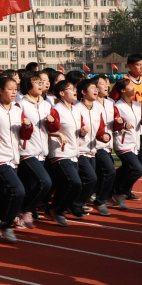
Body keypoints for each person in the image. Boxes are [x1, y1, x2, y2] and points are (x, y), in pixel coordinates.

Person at [0, 76, 29, 241]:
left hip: (14, 159)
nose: (14, 92)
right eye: (10, 89)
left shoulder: (17, 110)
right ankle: (6, 224)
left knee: (1, 195)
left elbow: (24, 135)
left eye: (16, 89)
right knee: (18, 190)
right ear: (0, 90)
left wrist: (27, 127)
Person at [109, 54, 142, 201]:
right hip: (126, 126)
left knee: (140, 161)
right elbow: (112, 101)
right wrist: (119, 120)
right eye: (138, 65)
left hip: (140, 122)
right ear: (130, 66)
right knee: (132, 164)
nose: (141, 67)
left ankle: (125, 189)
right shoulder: (123, 82)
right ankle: (116, 188)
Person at [46, 80, 87, 226]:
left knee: (70, 184)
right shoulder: (55, 109)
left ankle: (53, 209)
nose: (75, 90)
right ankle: (58, 210)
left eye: (74, 88)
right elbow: (47, 129)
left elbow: (77, 130)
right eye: (71, 88)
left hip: (73, 153)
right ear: (62, 93)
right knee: (74, 182)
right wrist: (58, 134)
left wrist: (82, 132)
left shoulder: (75, 109)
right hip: (60, 153)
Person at [111, 78, 142, 209]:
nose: (133, 87)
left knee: (126, 168)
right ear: (123, 90)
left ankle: (109, 189)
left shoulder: (136, 105)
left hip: (135, 143)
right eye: (130, 86)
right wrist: (122, 124)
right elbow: (113, 122)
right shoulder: (117, 106)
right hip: (122, 143)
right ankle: (121, 193)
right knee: (137, 169)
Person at [16, 72, 53, 228]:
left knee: (29, 186)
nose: (41, 84)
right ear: (27, 85)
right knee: (45, 182)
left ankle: (18, 212)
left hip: (42, 152)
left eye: (41, 82)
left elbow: (54, 128)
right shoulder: (20, 105)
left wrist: (53, 122)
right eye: (36, 82)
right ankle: (26, 209)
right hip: (26, 151)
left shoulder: (46, 105)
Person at [74, 79, 110, 216]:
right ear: (83, 92)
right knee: (90, 178)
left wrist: (104, 136)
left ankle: (79, 203)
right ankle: (75, 204)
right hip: (79, 151)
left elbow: (101, 130)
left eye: (96, 88)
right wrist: (81, 133)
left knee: (89, 180)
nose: (96, 90)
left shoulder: (98, 108)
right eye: (93, 88)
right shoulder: (76, 108)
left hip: (92, 151)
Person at [93, 74, 117, 212]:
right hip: (96, 145)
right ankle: (100, 201)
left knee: (101, 173)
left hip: (108, 144)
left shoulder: (110, 103)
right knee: (109, 171)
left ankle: (102, 195)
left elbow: (117, 120)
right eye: (102, 83)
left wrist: (121, 123)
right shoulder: (91, 104)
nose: (107, 86)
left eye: (107, 83)